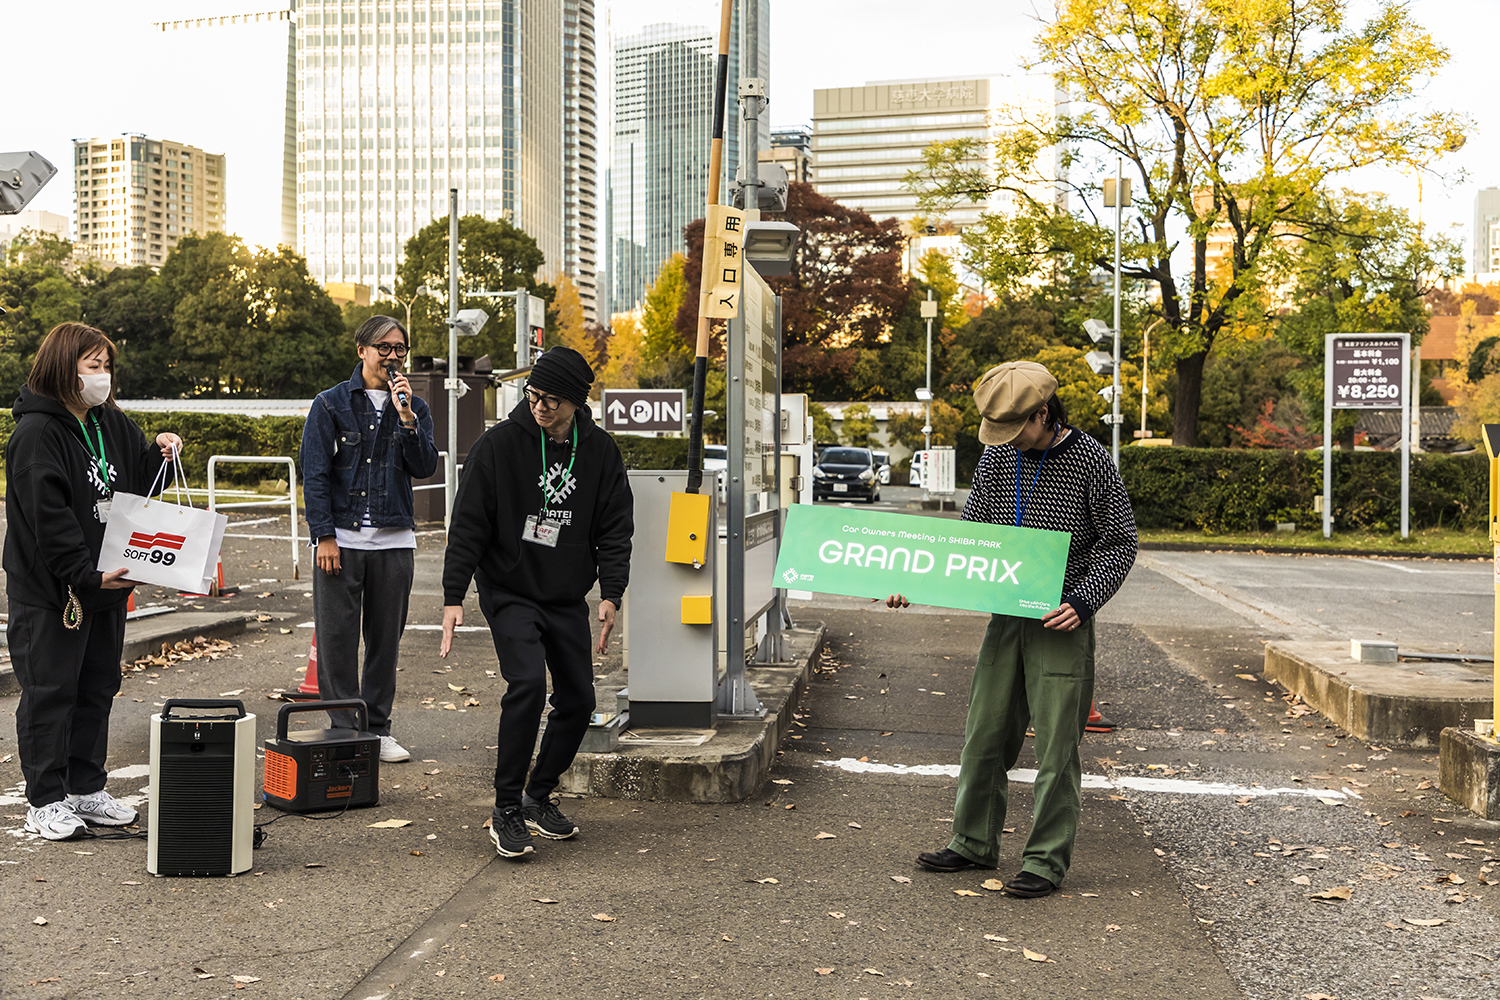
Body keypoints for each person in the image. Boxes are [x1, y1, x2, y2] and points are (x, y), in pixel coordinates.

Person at [891, 360, 1137, 898]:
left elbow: (1120, 541)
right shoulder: (997, 458)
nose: (1005, 442)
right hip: (1006, 614)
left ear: (1043, 414)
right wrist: (916, 581)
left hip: (1060, 619)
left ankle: (1046, 862)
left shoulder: (1091, 460)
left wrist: (1083, 600)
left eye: (1015, 429)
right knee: (984, 734)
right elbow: (969, 539)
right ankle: (973, 842)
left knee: (1056, 749)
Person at [440, 346, 633, 860]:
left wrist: (612, 593)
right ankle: (505, 809)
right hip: (509, 589)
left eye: (551, 398)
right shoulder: (498, 447)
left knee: (579, 700)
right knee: (525, 683)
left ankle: (537, 796)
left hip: (566, 594)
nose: (540, 406)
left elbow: (615, 530)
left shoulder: (599, 452)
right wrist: (453, 596)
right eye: (533, 394)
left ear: (575, 402)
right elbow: (468, 525)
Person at [5, 322, 183, 840]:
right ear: (65, 367)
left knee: (97, 686)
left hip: (108, 582)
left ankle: (86, 787)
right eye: (92, 366)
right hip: (54, 592)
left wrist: (163, 455)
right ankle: (45, 798)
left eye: (106, 366)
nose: (102, 376)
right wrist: (84, 575)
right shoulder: (37, 434)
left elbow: (135, 478)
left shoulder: (112, 422)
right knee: (50, 691)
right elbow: (48, 519)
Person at [301, 315, 438, 763]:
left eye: (400, 348)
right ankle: (345, 730)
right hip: (340, 539)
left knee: (385, 643)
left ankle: (377, 729)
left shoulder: (414, 407)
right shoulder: (330, 404)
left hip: (395, 541)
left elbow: (424, 467)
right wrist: (323, 536)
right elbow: (315, 475)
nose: (393, 356)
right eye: (384, 347)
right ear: (362, 350)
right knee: (337, 642)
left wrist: (406, 417)